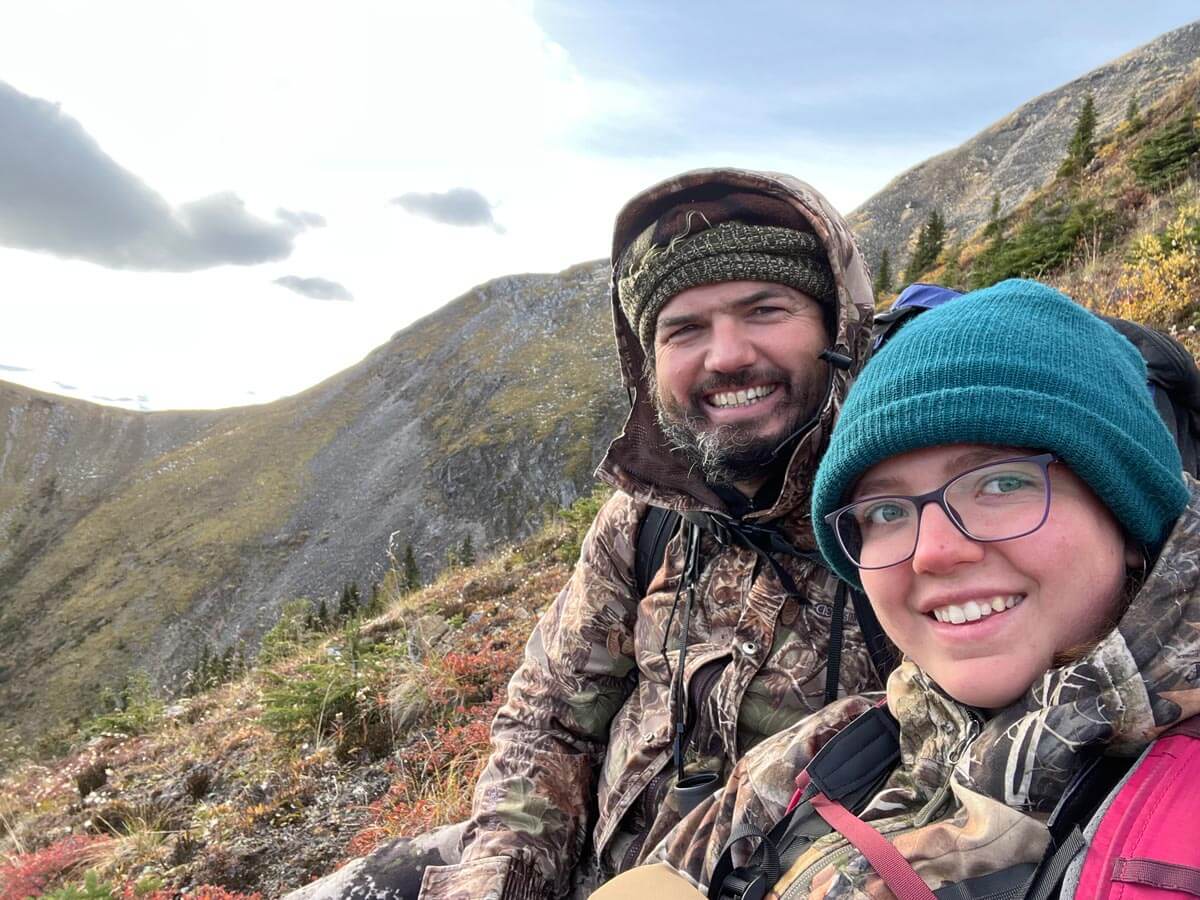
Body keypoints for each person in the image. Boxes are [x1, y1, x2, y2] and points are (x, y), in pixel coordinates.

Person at [284, 168, 887, 900]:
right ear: (649, 362)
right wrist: (500, 882)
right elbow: (548, 719)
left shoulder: (902, 524)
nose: (726, 355)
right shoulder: (645, 521)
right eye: (684, 329)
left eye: (764, 309)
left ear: (836, 328)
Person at [594, 278, 1200, 898]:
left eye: (1001, 484)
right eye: (886, 511)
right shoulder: (835, 746)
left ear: (1128, 514)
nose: (934, 551)